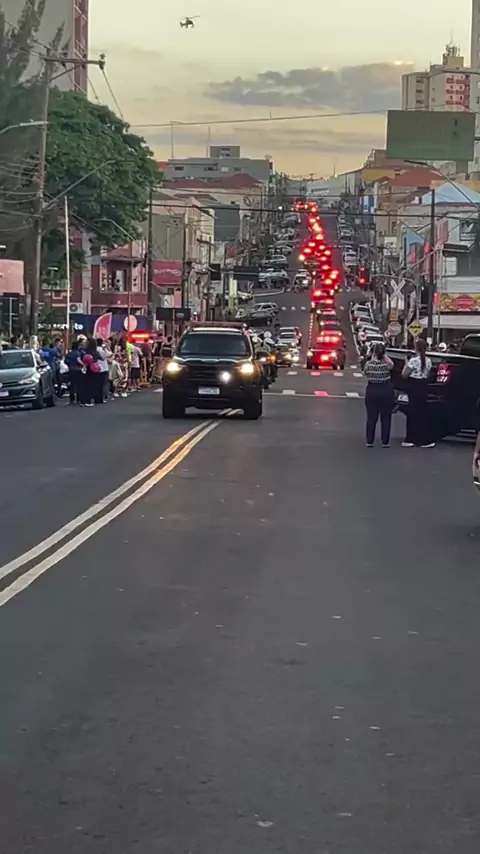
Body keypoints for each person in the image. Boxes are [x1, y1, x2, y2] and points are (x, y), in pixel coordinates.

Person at [401, 337, 434, 448]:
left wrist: (406, 363)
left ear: (416, 348)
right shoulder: (428, 361)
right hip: (423, 386)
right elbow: (427, 374)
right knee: (422, 414)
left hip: (414, 387)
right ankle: (424, 439)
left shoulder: (413, 361)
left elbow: (404, 375)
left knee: (412, 413)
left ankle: (410, 438)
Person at [363, 342, 395, 447]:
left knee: (371, 417)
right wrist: (384, 355)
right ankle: (385, 441)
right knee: (386, 417)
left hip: (372, 390)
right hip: (385, 390)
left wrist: (372, 355)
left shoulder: (369, 364)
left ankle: (370, 440)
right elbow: (392, 365)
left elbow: (365, 372)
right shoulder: (386, 364)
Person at [80, 337, 103, 405]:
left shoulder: (84, 351)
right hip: (95, 369)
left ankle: (86, 400)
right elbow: (102, 358)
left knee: (87, 385)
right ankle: (97, 399)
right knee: (95, 385)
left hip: (87, 369)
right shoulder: (96, 352)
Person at [65, 339, 85, 404]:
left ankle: (72, 399)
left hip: (71, 370)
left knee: (72, 385)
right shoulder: (78, 353)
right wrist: (83, 364)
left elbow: (66, 361)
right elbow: (78, 360)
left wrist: (69, 364)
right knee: (79, 385)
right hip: (78, 370)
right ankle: (78, 398)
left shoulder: (69, 353)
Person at [96, 337, 110, 401]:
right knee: (105, 383)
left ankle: (101, 396)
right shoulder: (102, 349)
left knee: (99, 383)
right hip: (104, 367)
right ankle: (105, 395)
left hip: (98, 367)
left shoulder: (96, 349)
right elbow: (108, 355)